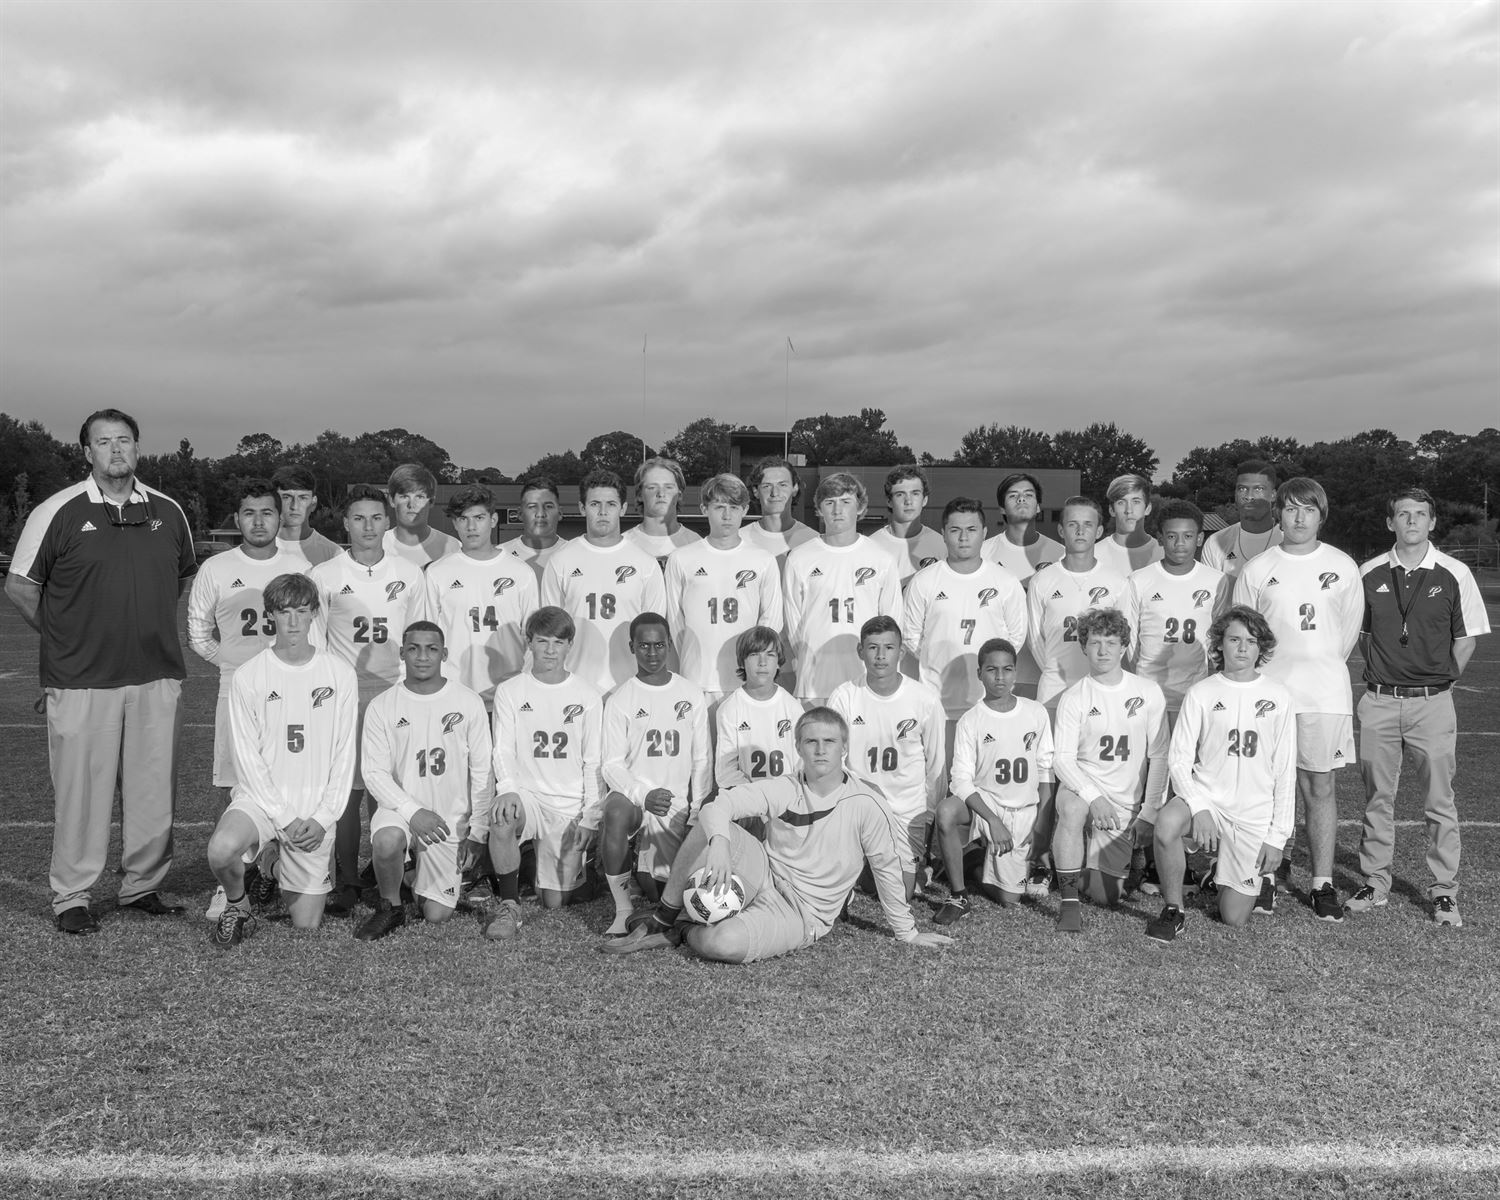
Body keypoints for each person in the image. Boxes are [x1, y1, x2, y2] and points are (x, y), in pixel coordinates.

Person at [6, 408, 197, 934]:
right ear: (86, 452)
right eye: (104, 441)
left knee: (154, 789)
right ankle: (72, 895)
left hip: (156, 673)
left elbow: (179, 578)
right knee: (81, 792)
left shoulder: (168, 510)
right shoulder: (57, 511)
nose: (116, 450)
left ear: (138, 448)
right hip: (81, 677)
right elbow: (21, 587)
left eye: (125, 440)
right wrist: (65, 637)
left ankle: (142, 886)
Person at [603, 707, 954, 959]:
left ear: (844, 748)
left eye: (829, 741)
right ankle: (664, 916)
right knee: (714, 823)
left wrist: (907, 932)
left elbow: (886, 868)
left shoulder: (865, 802)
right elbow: (717, 807)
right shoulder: (786, 787)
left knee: (721, 944)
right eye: (811, 741)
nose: (820, 749)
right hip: (763, 872)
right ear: (798, 748)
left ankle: (683, 928)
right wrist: (721, 844)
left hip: (802, 912)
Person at [1347, 488, 1490, 927]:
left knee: (1439, 800)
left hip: (1433, 702)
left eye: (1420, 514)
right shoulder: (1367, 572)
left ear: (1432, 523)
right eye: (1403, 514)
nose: (1411, 521)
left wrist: (1443, 678)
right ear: (1390, 523)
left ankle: (1444, 892)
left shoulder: (1455, 572)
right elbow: (1357, 632)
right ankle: (1375, 882)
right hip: (1379, 700)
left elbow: (1467, 636)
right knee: (1377, 798)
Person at [1233, 477, 1362, 922]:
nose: (1299, 517)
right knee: (1266, 786)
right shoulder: (1257, 569)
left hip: (1324, 691)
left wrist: (1316, 666)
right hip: (1268, 693)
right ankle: (1265, 876)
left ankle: (1321, 882)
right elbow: (1245, 636)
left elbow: (1344, 637)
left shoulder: (1344, 566)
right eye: (1290, 509)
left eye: (1308, 509)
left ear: (1321, 515)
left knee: (1318, 785)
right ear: (1279, 514)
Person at [205, 573, 358, 945]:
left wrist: (323, 817)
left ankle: (270, 867)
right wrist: (284, 818)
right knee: (222, 850)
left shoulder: (339, 673)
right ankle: (239, 905)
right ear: (270, 614)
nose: (293, 621)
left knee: (306, 924)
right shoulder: (249, 676)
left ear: (314, 615)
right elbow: (247, 759)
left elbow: (344, 753)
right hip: (261, 800)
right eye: (284, 611)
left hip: (313, 809)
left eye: (302, 611)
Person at [187, 480, 309, 919]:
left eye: (267, 512)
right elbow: (198, 631)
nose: (259, 521)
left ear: (281, 518)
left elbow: (318, 626)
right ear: (237, 519)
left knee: (289, 774)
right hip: (237, 690)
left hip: (292, 692)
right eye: (249, 513)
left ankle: (278, 867)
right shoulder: (217, 568)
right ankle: (235, 876)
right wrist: (230, 665)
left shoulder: (300, 565)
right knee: (234, 780)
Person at [308, 484, 428, 914]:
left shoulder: (409, 573)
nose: (368, 526)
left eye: (376, 518)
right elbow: (314, 644)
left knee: (388, 789)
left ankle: (386, 873)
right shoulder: (324, 576)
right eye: (358, 518)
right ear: (345, 522)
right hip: (345, 696)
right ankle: (345, 878)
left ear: (388, 521)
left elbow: (421, 637)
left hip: (395, 693)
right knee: (346, 793)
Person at [1149, 606, 1295, 940]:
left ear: (1262, 648)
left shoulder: (1279, 696)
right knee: (1167, 824)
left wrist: (1277, 838)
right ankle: (1173, 909)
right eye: (1234, 639)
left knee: (1233, 918)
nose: (1242, 648)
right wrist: (1198, 807)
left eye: (1251, 640)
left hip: (1252, 813)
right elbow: (1179, 759)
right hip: (1209, 799)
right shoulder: (1202, 692)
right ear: (1220, 644)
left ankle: (1218, 873)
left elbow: (1285, 771)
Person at [353, 621, 492, 941]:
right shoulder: (382, 705)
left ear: (444, 653)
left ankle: (409, 872)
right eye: (413, 648)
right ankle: (390, 906)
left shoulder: (467, 701)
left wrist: (479, 831)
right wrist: (413, 811)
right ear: (402, 653)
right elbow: (373, 772)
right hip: (401, 809)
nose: (422, 656)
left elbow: (483, 771)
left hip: (447, 819)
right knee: (387, 839)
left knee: (436, 914)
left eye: (431, 649)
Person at [480, 606, 606, 937]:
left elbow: (593, 761)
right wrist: (507, 787)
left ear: (570, 645)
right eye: (542, 641)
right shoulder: (510, 691)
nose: (550, 650)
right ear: (529, 643)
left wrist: (590, 817)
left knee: (555, 901)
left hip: (567, 803)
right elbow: (502, 748)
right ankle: (509, 906)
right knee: (502, 816)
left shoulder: (588, 695)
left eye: (558, 642)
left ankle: (557, 864)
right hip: (528, 797)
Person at [1049, 608, 1169, 931]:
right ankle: (1069, 904)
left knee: (1106, 896)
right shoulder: (1074, 697)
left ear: (1124, 646)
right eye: (1095, 642)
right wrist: (1093, 797)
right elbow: (1062, 759)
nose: (1103, 650)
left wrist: (1150, 812)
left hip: (1123, 806)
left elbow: (1159, 756)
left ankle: (1071, 856)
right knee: (1072, 809)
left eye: (1111, 642)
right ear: (1084, 646)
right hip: (1085, 791)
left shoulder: (1147, 692)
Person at [598, 612, 713, 934]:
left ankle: (639, 870)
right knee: (616, 809)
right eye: (644, 646)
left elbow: (702, 760)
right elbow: (611, 764)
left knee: (663, 895)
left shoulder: (691, 694)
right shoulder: (621, 698)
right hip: (639, 801)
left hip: (674, 806)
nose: (652, 653)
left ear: (669, 645)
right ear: (632, 646)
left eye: (659, 645)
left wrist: (697, 810)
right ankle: (622, 909)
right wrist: (642, 794)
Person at [932, 639, 1055, 923]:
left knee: (1010, 899)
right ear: (979, 674)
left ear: (1015, 672)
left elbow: (1046, 771)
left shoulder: (1035, 712)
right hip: (986, 806)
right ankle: (958, 893)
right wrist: (992, 820)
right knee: (947, 812)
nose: (1000, 678)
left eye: (1007, 669)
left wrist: (1043, 829)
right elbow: (960, 781)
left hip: (1023, 810)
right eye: (991, 670)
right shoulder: (971, 720)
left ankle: (973, 859)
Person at [829, 616, 946, 898]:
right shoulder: (844, 696)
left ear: (901, 652)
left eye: (889, 648)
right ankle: (864, 862)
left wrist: (927, 815)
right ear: (860, 651)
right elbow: (834, 762)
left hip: (906, 812)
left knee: (899, 894)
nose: (881, 656)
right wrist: (855, 794)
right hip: (858, 806)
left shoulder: (924, 699)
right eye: (872, 648)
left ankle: (891, 865)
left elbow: (936, 765)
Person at [902, 497, 1028, 749]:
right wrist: (935, 658)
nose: (963, 537)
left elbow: (1015, 637)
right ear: (943, 534)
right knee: (941, 781)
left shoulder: (1004, 581)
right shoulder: (924, 581)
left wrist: (993, 672)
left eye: (971, 530)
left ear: (984, 533)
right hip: (938, 702)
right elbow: (911, 636)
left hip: (989, 702)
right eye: (955, 530)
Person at [539, 470, 666, 694]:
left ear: (623, 508)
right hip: (574, 686)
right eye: (595, 504)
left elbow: (655, 633)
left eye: (611, 504)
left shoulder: (645, 564)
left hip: (631, 686)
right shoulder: (561, 561)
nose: (603, 512)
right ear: (582, 508)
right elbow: (550, 633)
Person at [664, 472, 782, 711]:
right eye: (719, 507)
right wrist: (690, 658)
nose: (727, 515)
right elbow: (675, 622)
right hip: (696, 678)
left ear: (746, 509)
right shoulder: (681, 559)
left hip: (745, 681)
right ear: (703, 509)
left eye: (734, 507)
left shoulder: (763, 560)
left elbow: (770, 622)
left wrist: (754, 667)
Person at [783, 472, 902, 705]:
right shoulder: (800, 558)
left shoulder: (881, 559)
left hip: (864, 683)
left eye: (846, 502)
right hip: (814, 683)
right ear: (819, 509)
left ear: (860, 507)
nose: (837, 510)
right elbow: (793, 626)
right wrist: (807, 660)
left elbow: (891, 623)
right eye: (830, 503)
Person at [423, 484, 538, 709]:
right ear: (455, 523)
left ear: (493, 520)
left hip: (508, 697)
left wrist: (523, 688)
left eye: (479, 517)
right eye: (463, 519)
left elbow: (532, 638)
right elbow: (428, 636)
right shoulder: (437, 572)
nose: (471, 526)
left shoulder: (521, 572)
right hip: (453, 695)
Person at [1120, 500, 1230, 720]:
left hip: (1196, 691)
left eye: (1188, 536)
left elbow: (1220, 633)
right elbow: (1129, 638)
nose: (1180, 543)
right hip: (1149, 692)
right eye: (1171, 536)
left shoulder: (1216, 580)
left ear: (1199, 538)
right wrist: (1140, 678)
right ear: (1160, 538)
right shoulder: (1139, 580)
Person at [1026, 497, 1131, 712]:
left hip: (1102, 688)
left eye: (1088, 525)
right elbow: (1034, 638)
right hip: (1054, 691)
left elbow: (1123, 638)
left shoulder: (1116, 581)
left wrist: (1105, 671)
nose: (1080, 531)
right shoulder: (1042, 580)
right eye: (1073, 524)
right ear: (1061, 531)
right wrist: (1053, 670)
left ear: (1099, 531)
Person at [981, 472, 1064, 703]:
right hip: (995, 673)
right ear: (1002, 509)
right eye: (1013, 495)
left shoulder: (1059, 554)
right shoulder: (984, 552)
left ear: (1038, 507)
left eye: (1028, 495)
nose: (1021, 500)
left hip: (1044, 672)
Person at [713, 626, 805, 792]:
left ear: (778, 662)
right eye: (754, 654)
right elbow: (725, 772)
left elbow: (802, 764)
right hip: (749, 803)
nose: (762, 662)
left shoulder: (793, 708)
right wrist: (756, 798)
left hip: (788, 799)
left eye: (770, 655)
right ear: (742, 661)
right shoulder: (729, 709)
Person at [868, 465, 947, 589]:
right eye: (900, 494)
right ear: (889, 501)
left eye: (915, 493)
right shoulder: (872, 546)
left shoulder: (941, 546)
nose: (908, 501)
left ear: (925, 499)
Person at [1201, 460, 1283, 579]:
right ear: (1235, 493)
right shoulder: (1215, 543)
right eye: (1242, 489)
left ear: (1273, 495)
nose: (1249, 496)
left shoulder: (1289, 541)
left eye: (1258, 489)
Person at [739, 454, 818, 569]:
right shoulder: (739, 539)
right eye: (767, 486)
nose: (775, 493)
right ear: (756, 491)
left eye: (783, 485)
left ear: (795, 488)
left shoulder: (813, 540)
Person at [624, 456, 701, 568]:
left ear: (679, 495)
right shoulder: (624, 544)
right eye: (652, 487)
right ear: (640, 495)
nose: (661, 493)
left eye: (668, 487)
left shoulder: (696, 543)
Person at [382, 463, 459, 567]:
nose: (411, 504)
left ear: (431, 501)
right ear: (391, 500)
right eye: (404, 496)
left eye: (419, 497)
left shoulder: (453, 547)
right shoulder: (377, 546)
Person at [501, 475, 570, 584]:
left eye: (548, 506)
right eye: (532, 506)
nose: (540, 514)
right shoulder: (501, 556)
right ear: (520, 514)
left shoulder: (575, 555)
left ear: (560, 513)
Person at [1094, 474, 1164, 577]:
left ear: (1148, 508)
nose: (1129, 510)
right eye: (1121, 502)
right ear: (1112, 510)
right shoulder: (1094, 555)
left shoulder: (1164, 554)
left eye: (1136, 502)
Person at [271, 465, 342, 567]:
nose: (294, 506)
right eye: (286, 497)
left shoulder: (333, 554)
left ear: (313, 503)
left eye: (302, 498)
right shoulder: (255, 551)